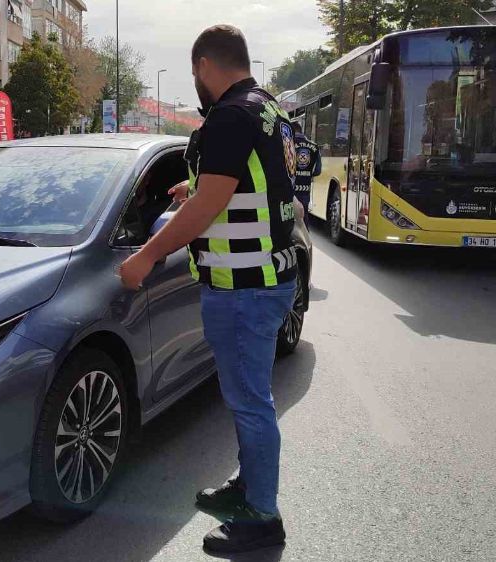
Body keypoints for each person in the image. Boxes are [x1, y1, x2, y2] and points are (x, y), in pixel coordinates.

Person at [118, 24, 299, 554]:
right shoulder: (268, 109)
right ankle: (250, 487)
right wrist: (192, 185)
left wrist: (147, 255)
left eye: (193, 74)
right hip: (265, 278)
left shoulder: (229, 115)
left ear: (203, 66)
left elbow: (210, 204)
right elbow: (247, 181)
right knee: (249, 399)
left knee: (249, 403)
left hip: (245, 286)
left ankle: (261, 519)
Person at [292, 121, 321, 214]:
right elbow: (318, 170)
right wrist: (308, 174)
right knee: (303, 217)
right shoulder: (315, 147)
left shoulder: (287, 144)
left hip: (290, 191)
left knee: (289, 221)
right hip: (305, 190)